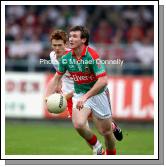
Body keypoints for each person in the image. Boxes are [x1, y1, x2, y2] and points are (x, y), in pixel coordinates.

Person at [45, 28, 122, 155]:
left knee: (105, 132)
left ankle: (111, 146)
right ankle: (97, 148)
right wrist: (48, 96)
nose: (71, 39)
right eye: (70, 36)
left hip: (96, 93)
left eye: (74, 36)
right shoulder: (60, 58)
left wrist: (80, 96)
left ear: (83, 40)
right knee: (80, 125)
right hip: (78, 94)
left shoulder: (92, 56)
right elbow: (57, 76)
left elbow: (103, 81)